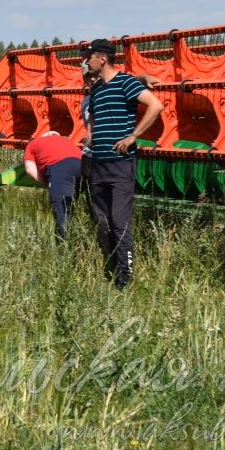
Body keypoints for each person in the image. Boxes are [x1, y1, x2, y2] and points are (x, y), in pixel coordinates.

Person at [83, 38, 164, 289]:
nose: (87, 62)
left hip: (120, 165)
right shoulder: (96, 90)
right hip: (98, 165)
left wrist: (133, 136)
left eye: (90, 58)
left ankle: (124, 279)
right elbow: (94, 120)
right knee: (103, 222)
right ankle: (110, 268)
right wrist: (91, 134)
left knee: (120, 222)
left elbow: (155, 105)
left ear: (102, 59)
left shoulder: (126, 83)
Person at [23, 131, 83, 239]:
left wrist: (48, 184)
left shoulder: (32, 144)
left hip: (60, 168)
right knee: (77, 204)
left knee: (61, 210)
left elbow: (29, 170)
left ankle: (63, 249)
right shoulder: (67, 141)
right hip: (83, 165)